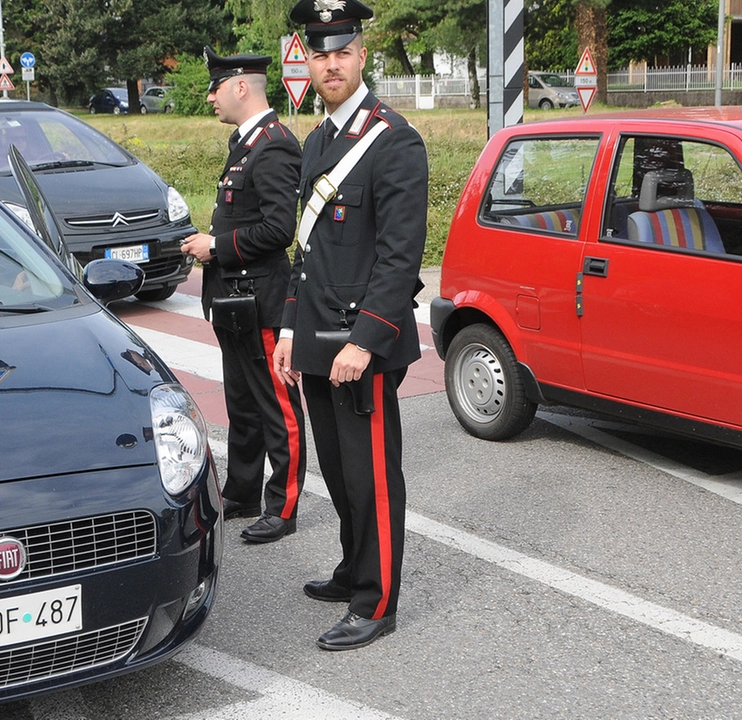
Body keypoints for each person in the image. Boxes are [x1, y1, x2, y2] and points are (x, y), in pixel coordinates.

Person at [272, 0, 428, 650]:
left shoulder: (394, 140)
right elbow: (302, 252)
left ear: (362, 54)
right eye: (319, 53)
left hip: (358, 347)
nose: (330, 63)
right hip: (315, 340)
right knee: (336, 473)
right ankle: (350, 566)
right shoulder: (316, 142)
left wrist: (365, 342)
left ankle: (377, 600)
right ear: (307, 60)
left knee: (371, 478)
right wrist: (286, 328)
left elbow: (400, 257)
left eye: (342, 51)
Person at [181, 47, 306, 544]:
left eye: (215, 87)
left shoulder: (273, 145)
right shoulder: (246, 143)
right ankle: (243, 491)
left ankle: (285, 504)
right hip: (235, 300)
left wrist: (217, 246)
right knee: (242, 403)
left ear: (240, 86)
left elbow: (280, 230)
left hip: (262, 299)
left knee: (278, 406)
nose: (210, 96)